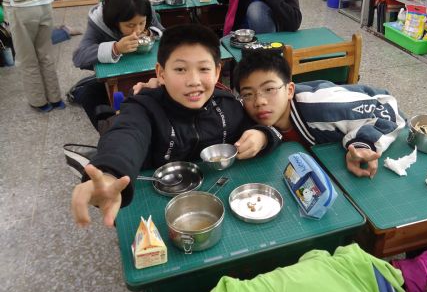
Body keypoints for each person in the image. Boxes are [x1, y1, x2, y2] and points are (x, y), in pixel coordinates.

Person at [71, 25, 282, 227]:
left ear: (217, 72)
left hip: (217, 201)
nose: (194, 81)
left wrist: (262, 136)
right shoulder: (143, 108)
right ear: (161, 73)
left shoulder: (227, 106)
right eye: (180, 69)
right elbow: (126, 135)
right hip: (153, 204)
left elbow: (269, 129)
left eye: (204, 69)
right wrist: (109, 174)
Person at [233, 49, 406, 178]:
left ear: (289, 90)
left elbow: (385, 107)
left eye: (269, 89)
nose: (259, 101)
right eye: (248, 94)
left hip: (389, 134)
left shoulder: (322, 106)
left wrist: (363, 143)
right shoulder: (244, 110)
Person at [71, 0, 164, 128]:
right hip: (116, 76)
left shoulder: (144, 9)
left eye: (141, 23)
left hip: (146, 71)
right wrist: (116, 48)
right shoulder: (98, 23)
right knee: (92, 95)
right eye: (130, 25)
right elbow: (79, 57)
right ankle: (113, 129)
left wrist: (151, 33)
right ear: (114, 21)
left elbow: (161, 31)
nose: (138, 30)